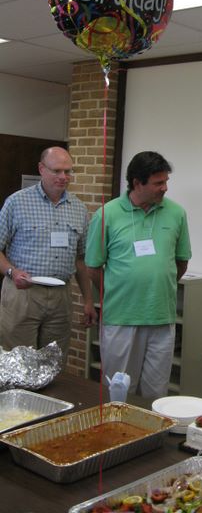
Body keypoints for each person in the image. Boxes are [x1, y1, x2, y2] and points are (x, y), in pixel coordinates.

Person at [85, 151, 191, 399]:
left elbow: (181, 262)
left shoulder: (176, 213)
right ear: (137, 183)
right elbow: (93, 267)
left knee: (156, 393)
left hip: (161, 317)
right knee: (120, 391)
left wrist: (155, 286)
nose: (164, 188)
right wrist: (119, 292)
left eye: (165, 181)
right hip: (121, 317)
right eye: (158, 183)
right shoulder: (107, 214)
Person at [0, 146, 96, 365]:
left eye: (68, 171)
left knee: (53, 363)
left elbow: (80, 259)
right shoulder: (17, 202)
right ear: (41, 169)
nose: (63, 177)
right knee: (18, 363)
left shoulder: (79, 209)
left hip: (61, 296)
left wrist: (88, 301)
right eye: (57, 171)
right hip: (23, 293)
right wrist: (12, 272)